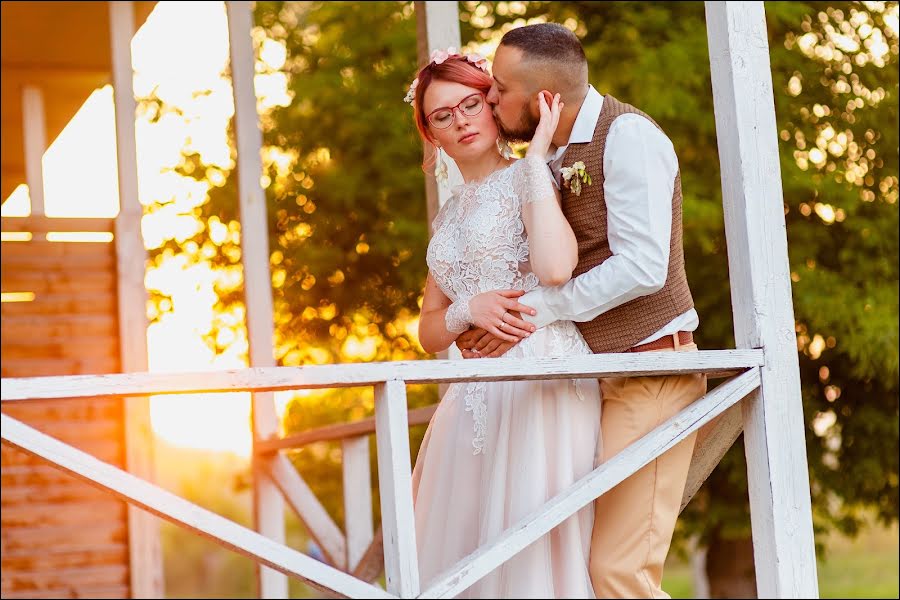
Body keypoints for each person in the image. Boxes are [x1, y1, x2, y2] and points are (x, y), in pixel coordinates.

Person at [455, 23, 707, 599]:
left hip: (650, 375)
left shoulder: (629, 138)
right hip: (593, 382)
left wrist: (538, 310)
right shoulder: (552, 153)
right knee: (569, 567)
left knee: (620, 571)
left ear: (545, 99)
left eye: (497, 89)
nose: (490, 100)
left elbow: (644, 266)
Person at [408, 47, 601, 598]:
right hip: (474, 395)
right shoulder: (448, 214)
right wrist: (470, 309)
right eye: (442, 115)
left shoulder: (530, 178)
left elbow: (556, 269)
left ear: (493, 107)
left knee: (534, 542)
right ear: (431, 134)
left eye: (470, 103)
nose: (460, 120)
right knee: (468, 553)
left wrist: (537, 159)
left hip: (540, 375)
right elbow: (427, 329)